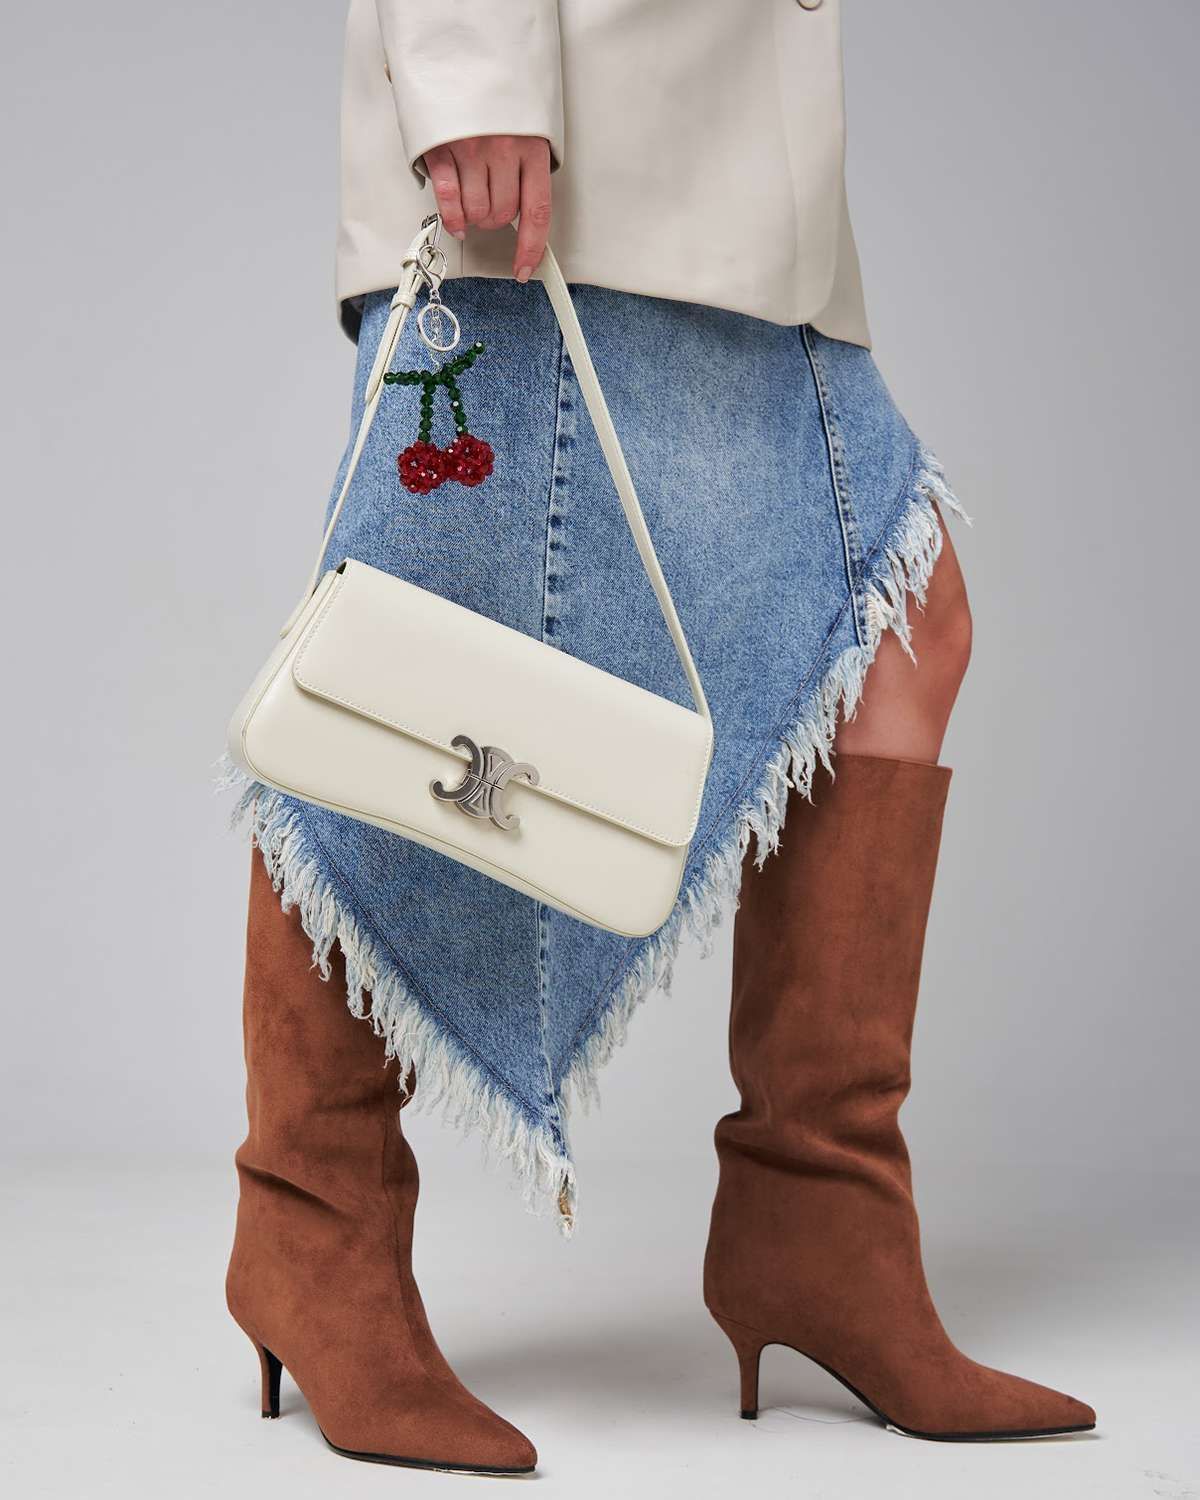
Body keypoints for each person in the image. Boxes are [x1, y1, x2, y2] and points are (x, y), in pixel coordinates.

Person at [225, 0, 1095, 1472]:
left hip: (750, 182)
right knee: (397, 689)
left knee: (898, 625)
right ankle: (314, 1227)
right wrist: (471, 66)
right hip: (561, 148)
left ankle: (821, 1227)